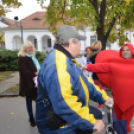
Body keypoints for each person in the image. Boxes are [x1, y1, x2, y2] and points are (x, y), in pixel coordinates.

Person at [36, 25, 113, 134]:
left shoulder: (66, 59)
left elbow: (85, 83)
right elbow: (64, 104)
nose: (81, 44)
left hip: (64, 121)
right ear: (72, 42)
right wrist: (91, 122)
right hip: (59, 127)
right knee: (95, 117)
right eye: (79, 41)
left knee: (97, 113)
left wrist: (103, 98)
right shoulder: (57, 64)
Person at [81, 43, 134, 133]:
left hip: (131, 101)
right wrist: (87, 67)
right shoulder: (114, 63)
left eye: (127, 50)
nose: (125, 52)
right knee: (117, 123)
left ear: (132, 51)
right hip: (117, 100)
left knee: (125, 123)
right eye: (123, 50)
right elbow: (101, 67)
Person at [18, 41, 40, 127]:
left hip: (36, 82)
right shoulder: (22, 58)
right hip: (27, 83)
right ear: (24, 49)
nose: (30, 48)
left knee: (38, 100)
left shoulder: (33, 57)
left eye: (31, 47)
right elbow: (23, 72)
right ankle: (31, 118)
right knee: (29, 101)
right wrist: (35, 73)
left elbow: (37, 67)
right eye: (28, 47)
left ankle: (38, 116)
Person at [88, 41, 106, 115]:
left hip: (94, 75)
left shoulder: (91, 55)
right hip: (101, 76)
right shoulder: (101, 54)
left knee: (97, 91)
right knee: (102, 92)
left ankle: (98, 107)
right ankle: (99, 108)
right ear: (99, 46)